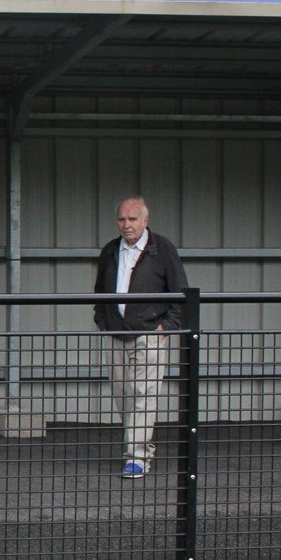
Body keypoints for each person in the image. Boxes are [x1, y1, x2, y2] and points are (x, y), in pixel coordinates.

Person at [93, 196, 188, 480]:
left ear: (145, 221)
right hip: (116, 334)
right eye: (122, 219)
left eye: (133, 219)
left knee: (144, 395)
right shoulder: (110, 251)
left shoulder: (162, 250)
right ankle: (138, 446)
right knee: (123, 395)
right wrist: (103, 321)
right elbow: (98, 291)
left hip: (149, 335)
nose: (127, 225)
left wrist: (164, 328)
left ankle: (137, 457)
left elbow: (181, 292)